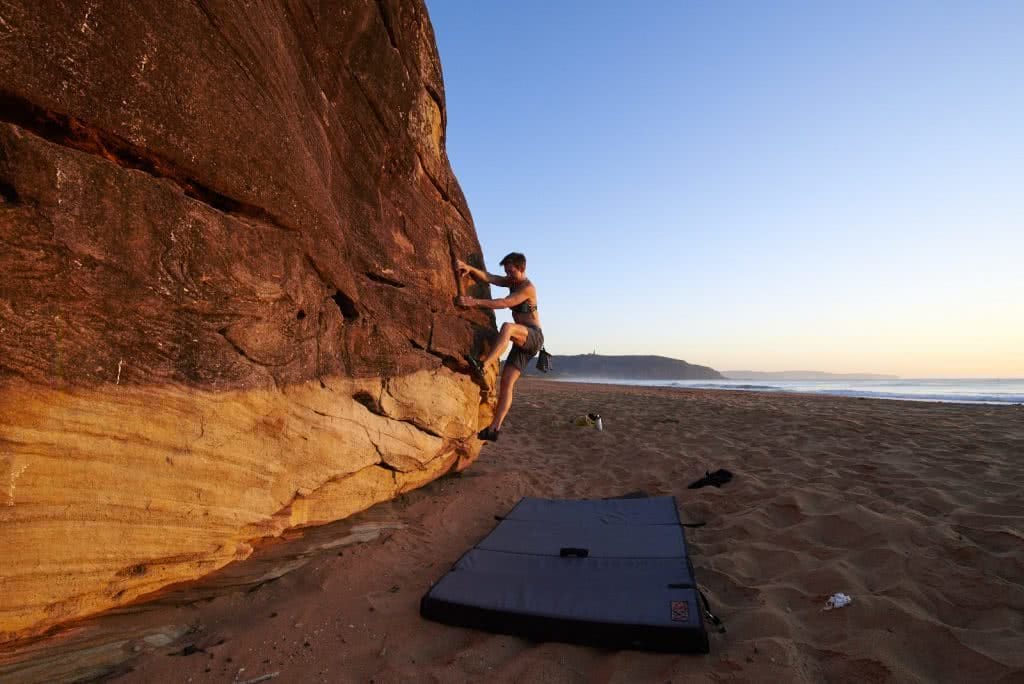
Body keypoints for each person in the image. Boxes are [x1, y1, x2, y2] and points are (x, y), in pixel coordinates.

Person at [456, 252, 542, 442]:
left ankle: (483, 365)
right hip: (522, 341)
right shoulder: (512, 282)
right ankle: (494, 428)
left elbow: (505, 303)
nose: (508, 275)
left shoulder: (528, 288)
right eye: (507, 271)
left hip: (533, 335)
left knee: (507, 327)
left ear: (522, 268)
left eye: (511, 271)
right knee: (506, 385)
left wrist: (474, 303)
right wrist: (469, 269)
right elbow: (491, 278)